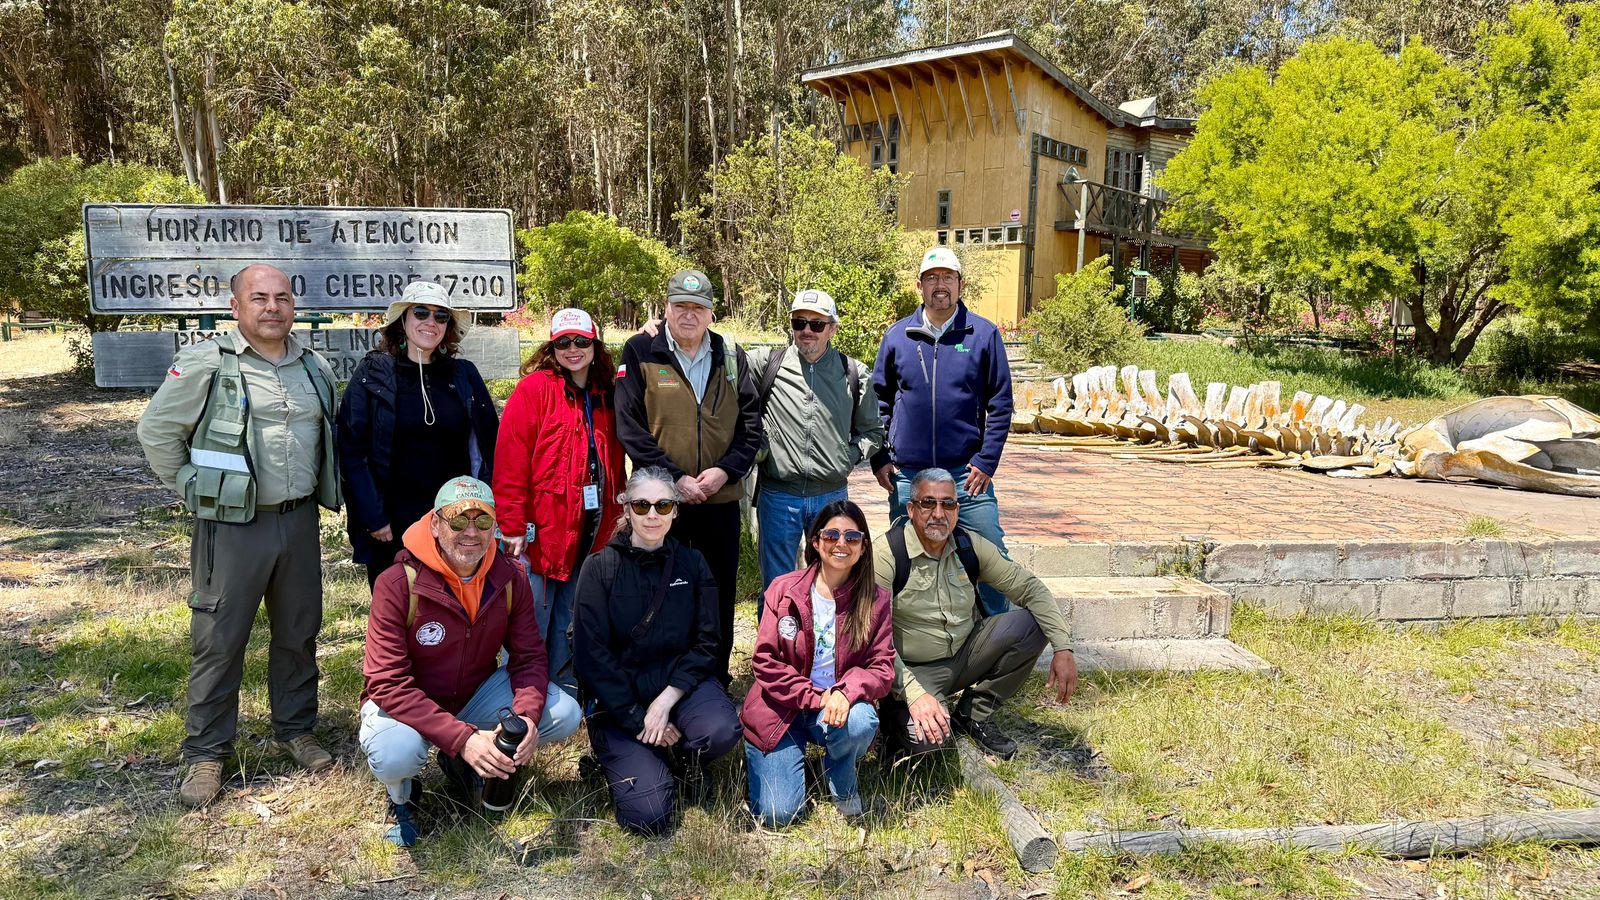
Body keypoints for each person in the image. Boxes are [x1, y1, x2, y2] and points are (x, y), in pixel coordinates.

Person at [136, 263, 342, 807]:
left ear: (294, 305)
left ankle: (296, 731)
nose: (271, 307)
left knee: (298, 632)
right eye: (259, 298)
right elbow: (157, 430)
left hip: (298, 522)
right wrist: (193, 487)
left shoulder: (313, 364)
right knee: (219, 640)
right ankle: (207, 753)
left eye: (281, 297)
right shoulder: (208, 361)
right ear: (236, 307)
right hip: (232, 526)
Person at [359, 476, 581, 846]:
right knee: (396, 754)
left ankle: (468, 759)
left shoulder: (511, 578)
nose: (471, 532)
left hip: (472, 695)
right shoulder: (397, 584)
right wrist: (462, 738)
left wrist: (525, 717)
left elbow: (528, 658)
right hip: (409, 707)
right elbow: (387, 683)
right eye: (458, 520)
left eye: (483, 520)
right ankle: (404, 797)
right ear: (435, 523)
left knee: (565, 713)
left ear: (495, 526)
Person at [572, 467, 742, 836]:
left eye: (663, 505)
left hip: (679, 688)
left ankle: (686, 757)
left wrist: (665, 702)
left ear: (676, 511)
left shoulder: (692, 564)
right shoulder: (599, 568)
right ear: (627, 509)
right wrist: (636, 717)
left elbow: (707, 641)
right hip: (620, 701)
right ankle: (630, 757)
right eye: (642, 505)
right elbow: (591, 657)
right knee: (649, 817)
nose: (652, 514)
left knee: (721, 730)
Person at [615, 269, 762, 683]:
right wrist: (674, 479)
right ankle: (660, 676)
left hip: (719, 501)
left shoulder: (731, 356)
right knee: (661, 588)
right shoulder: (640, 350)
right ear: (666, 308)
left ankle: (714, 677)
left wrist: (725, 471)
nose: (688, 315)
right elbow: (630, 427)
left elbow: (751, 426)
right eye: (680, 305)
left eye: (698, 307)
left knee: (718, 593)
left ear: (711, 314)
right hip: (661, 505)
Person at [874, 468, 1077, 760]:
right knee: (930, 743)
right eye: (928, 503)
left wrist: (1064, 647)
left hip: (965, 656)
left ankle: (972, 715)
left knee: (1032, 623)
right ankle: (894, 722)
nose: (939, 513)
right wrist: (916, 695)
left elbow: (1029, 587)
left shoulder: (968, 545)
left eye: (948, 504)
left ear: (958, 508)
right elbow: (873, 638)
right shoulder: (887, 554)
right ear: (911, 508)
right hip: (912, 670)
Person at [871, 247, 1015, 616]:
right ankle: (906, 643)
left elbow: (1000, 403)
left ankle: (1001, 640)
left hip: (966, 476)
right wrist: (880, 457)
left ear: (960, 284)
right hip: (910, 476)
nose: (940, 285)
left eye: (947, 277)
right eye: (932, 278)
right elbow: (877, 403)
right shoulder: (897, 336)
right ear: (919, 285)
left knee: (993, 556)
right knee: (906, 561)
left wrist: (987, 460)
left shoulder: (983, 335)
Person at [493, 308, 625, 692]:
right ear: (552, 347)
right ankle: (523, 696)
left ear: (594, 345)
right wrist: (512, 525)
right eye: (563, 342)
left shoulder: (605, 393)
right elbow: (510, 461)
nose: (573, 349)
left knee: (573, 614)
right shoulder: (534, 390)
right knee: (532, 617)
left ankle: (562, 691)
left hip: (593, 527)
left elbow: (615, 460)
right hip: (543, 532)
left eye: (581, 341)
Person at [741, 500, 894, 827]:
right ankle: (767, 756)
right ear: (815, 542)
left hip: (835, 711)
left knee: (862, 720)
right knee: (779, 814)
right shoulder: (784, 590)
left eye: (852, 537)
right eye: (831, 535)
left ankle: (840, 773)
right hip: (780, 709)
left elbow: (882, 668)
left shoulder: (876, 600)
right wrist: (818, 697)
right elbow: (765, 662)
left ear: (864, 547)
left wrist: (845, 691)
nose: (841, 544)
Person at [338, 281, 499, 588]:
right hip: (393, 523)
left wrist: (483, 512)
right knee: (400, 611)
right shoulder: (373, 375)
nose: (430, 322)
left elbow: (491, 446)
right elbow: (352, 451)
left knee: (453, 613)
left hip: (456, 519)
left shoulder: (463, 375)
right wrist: (374, 517)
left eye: (440, 316)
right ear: (403, 320)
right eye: (421, 312)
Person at [747, 290, 885, 591]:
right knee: (777, 586)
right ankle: (775, 638)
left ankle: (822, 639)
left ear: (832, 328)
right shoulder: (766, 363)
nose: (807, 331)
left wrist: (845, 457)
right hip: (778, 495)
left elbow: (873, 432)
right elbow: (721, 360)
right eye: (799, 323)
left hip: (831, 496)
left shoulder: (854, 374)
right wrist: (661, 330)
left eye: (817, 324)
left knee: (831, 582)